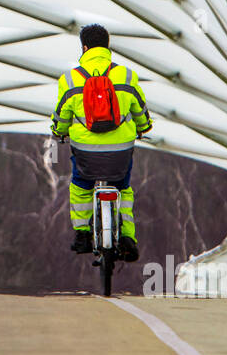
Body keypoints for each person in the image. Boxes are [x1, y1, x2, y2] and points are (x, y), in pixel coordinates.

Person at [50, 24, 151, 261]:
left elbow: (62, 116)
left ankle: (83, 235)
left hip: (86, 152)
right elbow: (140, 110)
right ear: (107, 46)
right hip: (120, 151)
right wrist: (144, 127)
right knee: (123, 188)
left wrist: (59, 132)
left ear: (84, 47)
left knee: (80, 186)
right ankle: (127, 237)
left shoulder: (69, 79)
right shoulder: (126, 75)